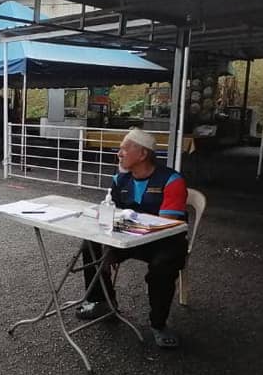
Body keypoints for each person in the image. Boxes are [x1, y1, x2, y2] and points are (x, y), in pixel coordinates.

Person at [76, 128, 189, 349]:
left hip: (164, 242)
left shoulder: (172, 180)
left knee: (162, 267)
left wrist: (123, 226)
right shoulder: (120, 179)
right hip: (129, 237)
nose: (119, 153)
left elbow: (166, 225)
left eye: (124, 149)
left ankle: (159, 324)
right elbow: (112, 212)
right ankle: (103, 302)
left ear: (142, 154)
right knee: (90, 244)